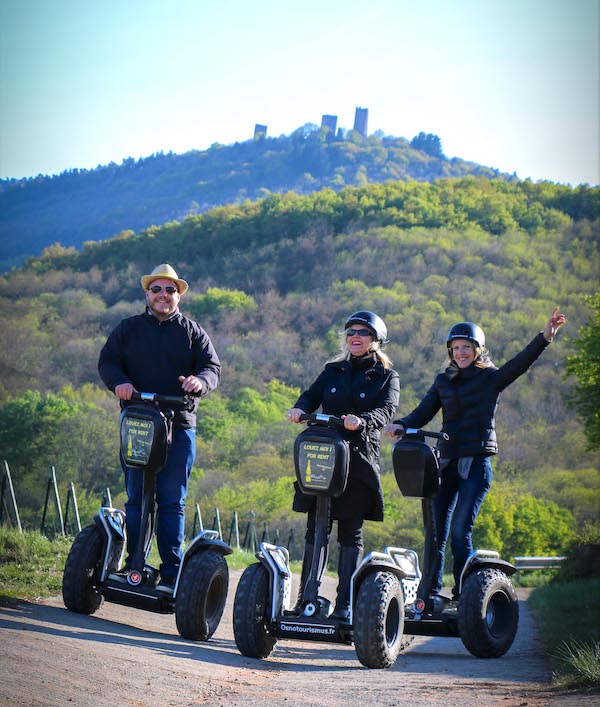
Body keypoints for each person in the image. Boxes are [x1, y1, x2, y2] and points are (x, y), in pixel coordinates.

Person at [384, 307, 566, 606]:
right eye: (455, 348)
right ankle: (427, 596)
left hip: (476, 464)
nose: (460, 352)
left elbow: (520, 364)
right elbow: (423, 412)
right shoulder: (444, 380)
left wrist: (545, 337)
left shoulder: (491, 378)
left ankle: (465, 596)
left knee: (459, 533)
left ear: (478, 349)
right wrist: (403, 425)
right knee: (434, 533)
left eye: (466, 347)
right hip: (445, 462)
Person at [98, 263, 221, 587]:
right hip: (138, 424)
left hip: (178, 427)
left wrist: (199, 381)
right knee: (137, 497)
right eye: (157, 289)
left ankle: (171, 574)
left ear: (178, 295)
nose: (163, 295)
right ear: (147, 293)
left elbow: (212, 368)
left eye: (170, 290)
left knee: (171, 500)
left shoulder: (193, 332)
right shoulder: (129, 328)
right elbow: (108, 361)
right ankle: (133, 565)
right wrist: (119, 382)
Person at [286, 311, 400, 620]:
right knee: (316, 526)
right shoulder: (332, 370)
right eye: (351, 332)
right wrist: (299, 409)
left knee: (350, 530)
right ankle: (305, 601)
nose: (355, 336)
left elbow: (387, 410)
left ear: (375, 340)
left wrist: (362, 420)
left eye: (363, 332)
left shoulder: (386, 376)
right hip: (324, 454)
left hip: (359, 457)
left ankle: (346, 607)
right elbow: (311, 395)